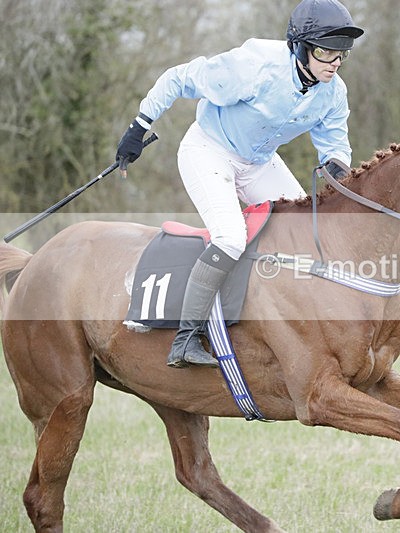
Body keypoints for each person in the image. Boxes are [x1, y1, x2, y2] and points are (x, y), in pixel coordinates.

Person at [116, 0, 364, 369]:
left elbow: (335, 143)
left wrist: (337, 168)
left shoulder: (333, 92)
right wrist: (139, 127)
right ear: (300, 47)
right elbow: (179, 78)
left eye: (341, 54)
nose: (335, 62)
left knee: (305, 232)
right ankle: (186, 337)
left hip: (259, 163)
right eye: (326, 52)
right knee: (231, 237)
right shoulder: (254, 66)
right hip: (209, 151)